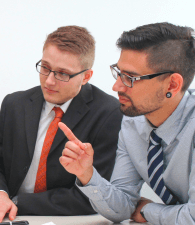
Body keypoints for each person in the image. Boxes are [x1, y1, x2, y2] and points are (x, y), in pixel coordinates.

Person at [0, 25, 123, 224]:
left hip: (70, 220)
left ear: (86, 77)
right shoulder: (14, 104)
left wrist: (18, 201)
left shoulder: (109, 113)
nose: (48, 81)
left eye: (63, 74)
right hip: (11, 219)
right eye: (45, 67)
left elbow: (95, 195)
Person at [59, 22, 195, 225]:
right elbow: (122, 208)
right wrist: (87, 174)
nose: (116, 86)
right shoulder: (133, 123)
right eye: (118, 72)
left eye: (130, 78)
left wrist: (147, 210)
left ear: (172, 85)